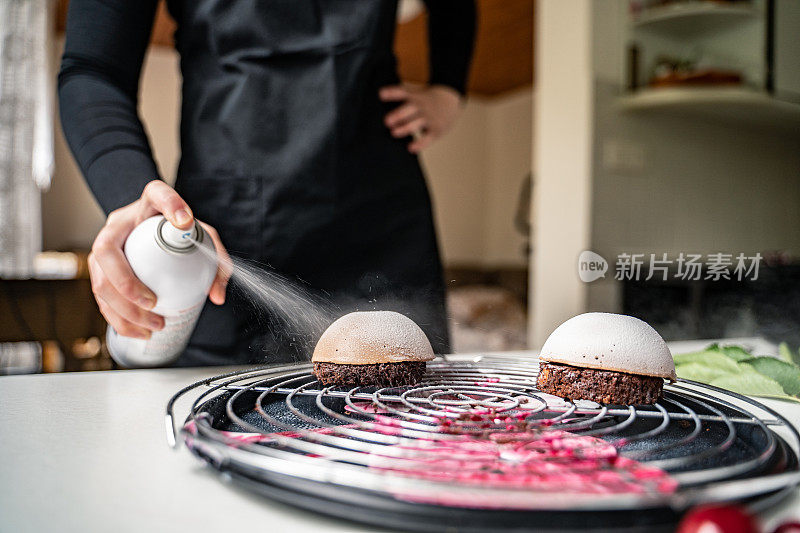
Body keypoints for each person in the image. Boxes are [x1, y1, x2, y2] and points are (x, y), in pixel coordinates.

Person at [59, 0, 475, 366]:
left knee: (415, 431)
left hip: (382, 218)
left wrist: (449, 89)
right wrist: (134, 197)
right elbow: (93, 71)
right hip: (224, 239)